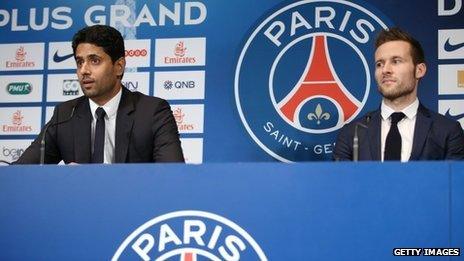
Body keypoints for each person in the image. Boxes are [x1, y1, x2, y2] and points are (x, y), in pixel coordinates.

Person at [15, 25, 184, 164]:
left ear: (119, 66)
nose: (84, 70)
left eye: (94, 60)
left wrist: (96, 179)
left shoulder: (152, 112)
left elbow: (171, 174)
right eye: (79, 62)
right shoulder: (66, 114)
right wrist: (62, 178)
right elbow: (22, 171)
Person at [333, 27, 464, 161]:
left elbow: (454, 181)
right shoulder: (352, 133)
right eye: (379, 64)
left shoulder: (447, 131)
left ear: (419, 70)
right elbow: (340, 181)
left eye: (396, 61)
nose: (385, 70)